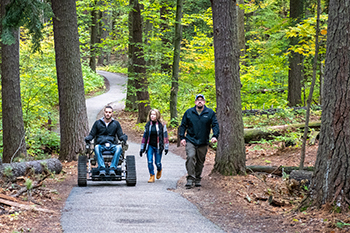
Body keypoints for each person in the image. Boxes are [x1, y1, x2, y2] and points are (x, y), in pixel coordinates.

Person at [179, 94, 219, 189]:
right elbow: (183, 125)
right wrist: (182, 138)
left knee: (200, 161)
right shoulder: (189, 112)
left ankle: (197, 178)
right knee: (191, 156)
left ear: (204, 102)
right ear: (195, 102)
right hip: (190, 140)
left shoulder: (210, 113)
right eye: (198, 100)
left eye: (201, 100)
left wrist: (215, 136)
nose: (200, 101)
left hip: (203, 141)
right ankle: (190, 178)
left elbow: (215, 125)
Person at [85, 106, 128, 177]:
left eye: (109, 112)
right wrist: (88, 138)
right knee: (96, 147)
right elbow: (92, 134)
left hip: (112, 145)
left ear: (112, 113)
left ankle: (112, 168)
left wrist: (124, 137)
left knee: (119, 148)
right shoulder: (97, 123)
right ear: (104, 113)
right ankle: (102, 169)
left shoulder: (116, 124)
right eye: (106, 112)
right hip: (100, 145)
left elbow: (120, 136)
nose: (108, 114)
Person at [140, 109, 169, 183]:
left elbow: (165, 136)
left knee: (157, 163)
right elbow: (144, 136)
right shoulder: (148, 125)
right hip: (149, 145)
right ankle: (151, 175)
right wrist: (142, 148)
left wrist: (166, 147)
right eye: (151, 114)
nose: (152, 116)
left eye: (154, 114)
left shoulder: (161, 125)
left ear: (157, 115)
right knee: (150, 161)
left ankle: (159, 169)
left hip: (158, 146)